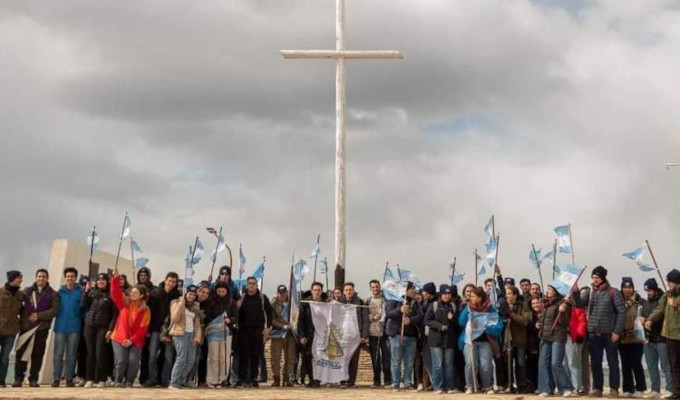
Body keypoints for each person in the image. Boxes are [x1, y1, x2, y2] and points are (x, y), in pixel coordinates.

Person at [572, 265, 626, 398]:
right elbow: (579, 304)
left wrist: (617, 332)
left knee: (613, 362)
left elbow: (621, 312)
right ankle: (597, 388)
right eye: (593, 277)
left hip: (610, 333)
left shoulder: (614, 292)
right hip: (593, 333)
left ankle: (614, 388)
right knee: (595, 362)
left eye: (597, 277)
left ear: (603, 278)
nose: (595, 280)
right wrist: (576, 292)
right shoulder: (590, 292)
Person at [14, 269, 60, 388]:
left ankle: (33, 378)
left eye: (44, 277)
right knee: (21, 354)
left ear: (47, 278)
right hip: (26, 328)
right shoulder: (26, 291)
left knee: (38, 355)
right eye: (39, 276)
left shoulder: (53, 294)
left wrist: (38, 315)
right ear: (36, 277)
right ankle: (18, 378)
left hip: (41, 329)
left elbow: (55, 310)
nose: (41, 279)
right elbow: (16, 302)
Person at [459, 286, 504, 394]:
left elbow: (498, 325)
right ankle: (470, 386)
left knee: (486, 365)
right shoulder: (468, 307)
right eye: (470, 296)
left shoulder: (490, 308)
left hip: (486, 341)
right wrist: (467, 312)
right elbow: (461, 322)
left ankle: (488, 386)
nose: (471, 298)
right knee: (470, 363)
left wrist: (487, 326)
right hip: (470, 341)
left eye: (473, 296)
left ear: (480, 298)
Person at [110, 268, 151, 387]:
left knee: (133, 361)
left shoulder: (146, 310)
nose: (132, 294)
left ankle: (129, 381)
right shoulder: (124, 303)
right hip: (119, 337)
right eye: (131, 292)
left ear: (141, 295)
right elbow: (115, 292)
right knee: (121, 360)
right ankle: (118, 380)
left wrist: (131, 340)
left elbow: (143, 329)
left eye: (135, 292)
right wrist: (115, 278)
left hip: (135, 340)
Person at [646, 269, 680, 399]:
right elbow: (659, 310)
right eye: (667, 281)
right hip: (671, 335)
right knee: (674, 365)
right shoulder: (667, 296)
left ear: (677, 282)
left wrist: (676, 304)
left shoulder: (674, 298)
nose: (668, 284)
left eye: (670, 281)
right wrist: (650, 319)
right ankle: (676, 392)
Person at [144, 272, 180, 387]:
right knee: (152, 355)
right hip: (155, 328)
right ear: (165, 280)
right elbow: (149, 312)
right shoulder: (155, 293)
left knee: (169, 357)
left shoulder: (177, 295)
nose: (171, 283)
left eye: (173, 282)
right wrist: (148, 329)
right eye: (169, 281)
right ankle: (152, 378)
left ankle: (165, 379)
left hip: (170, 330)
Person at [81, 273, 117, 388]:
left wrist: (110, 329)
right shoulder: (91, 292)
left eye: (103, 279)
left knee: (100, 353)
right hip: (89, 326)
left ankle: (102, 379)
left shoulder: (111, 295)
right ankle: (89, 379)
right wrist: (86, 292)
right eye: (99, 279)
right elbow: (83, 305)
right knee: (90, 353)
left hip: (103, 328)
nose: (101, 281)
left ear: (107, 281)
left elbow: (114, 315)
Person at [385, 281, 422, 391]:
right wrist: (400, 310)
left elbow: (420, 316)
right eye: (412, 288)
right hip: (397, 335)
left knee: (409, 362)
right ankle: (396, 383)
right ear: (405, 290)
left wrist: (410, 320)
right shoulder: (394, 300)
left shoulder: (415, 303)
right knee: (396, 361)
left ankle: (407, 383)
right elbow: (389, 314)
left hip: (411, 336)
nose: (414, 291)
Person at [236, 276, 273, 387]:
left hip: (258, 331)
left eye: (253, 283)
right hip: (243, 330)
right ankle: (243, 378)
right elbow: (235, 311)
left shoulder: (262, 298)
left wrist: (268, 328)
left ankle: (253, 378)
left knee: (255, 355)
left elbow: (269, 312)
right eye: (249, 283)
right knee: (244, 355)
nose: (251, 285)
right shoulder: (242, 297)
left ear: (257, 285)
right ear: (246, 285)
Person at [537, 285, 573, 397]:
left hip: (557, 336)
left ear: (556, 292)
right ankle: (546, 389)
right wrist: (539, 323)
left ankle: (565, 388)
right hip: (545, 336)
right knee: (543, 363)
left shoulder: (564, 304)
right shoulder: (547, 304)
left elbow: (564, 322)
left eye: (550, 290)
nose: (547, 292)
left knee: (555, 363)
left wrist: (562, 312)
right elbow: (544, 319)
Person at [640, 278, 674, 399]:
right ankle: (655, 389)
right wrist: (643, 320)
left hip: (661, 339)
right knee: (651, 366)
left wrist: (650, 320)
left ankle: (670, 388)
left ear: (654, 289)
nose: (648, 293)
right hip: (648, 339)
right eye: (646, 291)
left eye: (650, 290)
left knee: (666, 366)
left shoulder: (663, 300)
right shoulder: (645, 303)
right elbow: (643, 316)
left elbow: (663, 316)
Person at [52, 267, 84, 387]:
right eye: (68, 276)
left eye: (72, 276)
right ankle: (56, 378)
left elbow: (83, 310)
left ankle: (69, 378)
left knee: (72, 355)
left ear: (76, 278)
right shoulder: (59, 292)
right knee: (58, 354)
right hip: (60, 327)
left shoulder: (80, 292)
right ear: (65, 277)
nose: (70, 278)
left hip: (75, 328)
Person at [168, 285, 204, 390]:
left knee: (191, 360)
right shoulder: (175, 303)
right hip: (179, 333)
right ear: (185, 294)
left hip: (191, 333)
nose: (192, 297)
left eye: (193, 295)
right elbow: (174, 318)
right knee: (181, 358)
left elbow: (197, 324)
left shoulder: (196, 306)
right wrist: (181, 304)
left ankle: (182, 381)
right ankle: (174, 382)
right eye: (190, 294)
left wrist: (197, 337)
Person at [204, 281, 238, 388]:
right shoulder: (211, 302)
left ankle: (222, 379)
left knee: (224, 357)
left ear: (227, 291)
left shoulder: (231, 302)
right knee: (214, 356)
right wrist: (216, 321)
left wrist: (229, 320)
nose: (221, 293)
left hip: (226, 333)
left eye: (223, 291)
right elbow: (207, 317)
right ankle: (212, 379)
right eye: (219, 291)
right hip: (213, 333)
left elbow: (236, 317)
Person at [424, 284, 456, 394]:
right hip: (436, 339)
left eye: (448, 294)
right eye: (444, 294)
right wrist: (439, 326)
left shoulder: (452, 306)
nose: (447, 296)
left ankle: (449, 387)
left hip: (449, 340)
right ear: (440, 295)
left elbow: (455, 324)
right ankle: (437, 386)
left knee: (449, 364)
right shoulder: (434, 305)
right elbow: (427, 320)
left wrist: (451, 319)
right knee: (437, 364)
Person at [618, 277, 647, 397]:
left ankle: (640, 388)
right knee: (625, 365)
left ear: (633, 288)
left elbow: (646, 315)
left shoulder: (640, 301)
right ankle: (627, 389)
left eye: (629, 287)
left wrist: (644, 319)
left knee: (636, 363)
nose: (627, 290)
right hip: (623, 337)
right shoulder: (618, 301)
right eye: (625, 287)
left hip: (636, 337)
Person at [340, 282, 369, 388]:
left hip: (356, 336)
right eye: (347, 290)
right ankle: (342, 380)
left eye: (350, 289)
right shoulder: (338, 303)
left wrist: (364, 336)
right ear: (344, 291)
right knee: (342, 359)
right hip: (342, 336)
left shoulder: (360, 302)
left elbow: (365, 320)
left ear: (353, 290)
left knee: (354, 359)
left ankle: (351, 381)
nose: (349, 292)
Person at [298, 282, 325, 388]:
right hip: (308, 335)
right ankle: (311, 379)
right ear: (312, 290)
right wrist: (301, 336)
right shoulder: (305, 304)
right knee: (307, 358)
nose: (317, 292)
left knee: (320, 358)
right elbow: (300, 321)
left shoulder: (326, 304)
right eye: (315, 290)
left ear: (321, 291)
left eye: (319, 290)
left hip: (321, 336)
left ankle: (318, 380)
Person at [505, 285, 532, 393]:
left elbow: (525, 321)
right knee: (508, 363)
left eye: (509, 294)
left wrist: (511, 314)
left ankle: (522, 385)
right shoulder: (504, 305)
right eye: (506, 294)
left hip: (520, 339)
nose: (507, 296)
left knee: (521, 363)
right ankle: (509, 385)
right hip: (507, 339)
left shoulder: (523, 306)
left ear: (515, 295)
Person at [0, 270, 24, 387]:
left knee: (5, 358)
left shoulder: (21, 295)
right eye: (19, 278)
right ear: (12, 279)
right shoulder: (0, 291)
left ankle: (1, 381)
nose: (21, 280)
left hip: (11, 331)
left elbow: (23, 311)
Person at [365, 279, 391, 388]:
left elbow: (389, 313)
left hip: (384, 333)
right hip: (373, 334)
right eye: (373, 287)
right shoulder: (367, 301)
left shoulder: (386, 300)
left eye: (377, 287)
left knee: (386, 358)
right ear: (370, 289)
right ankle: (376, 381)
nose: (375, 289)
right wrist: (373, 317)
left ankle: (388, 380)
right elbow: (364, 316)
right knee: (375, 359)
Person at [270, 284, 296, 387]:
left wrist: (292, 324)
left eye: (284, 293)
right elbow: (271, 319)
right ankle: (276, 378)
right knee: (275, 358)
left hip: (290, 334)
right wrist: (282, 326)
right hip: (277, 334)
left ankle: (287, 377)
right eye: (280, 293)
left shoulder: (293, 304)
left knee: (290, 357)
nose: (282, 295)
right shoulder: (273, 304)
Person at [566, 287, 588, 396]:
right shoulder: (562, 308)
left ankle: (578, 386)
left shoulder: (577, 308)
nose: (568, 297)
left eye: (570, 295)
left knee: (574, 362)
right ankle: (569, 386)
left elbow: (582, 322)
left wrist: (579, 336)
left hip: (574, 338)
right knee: (565, 363)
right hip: (563, 338)